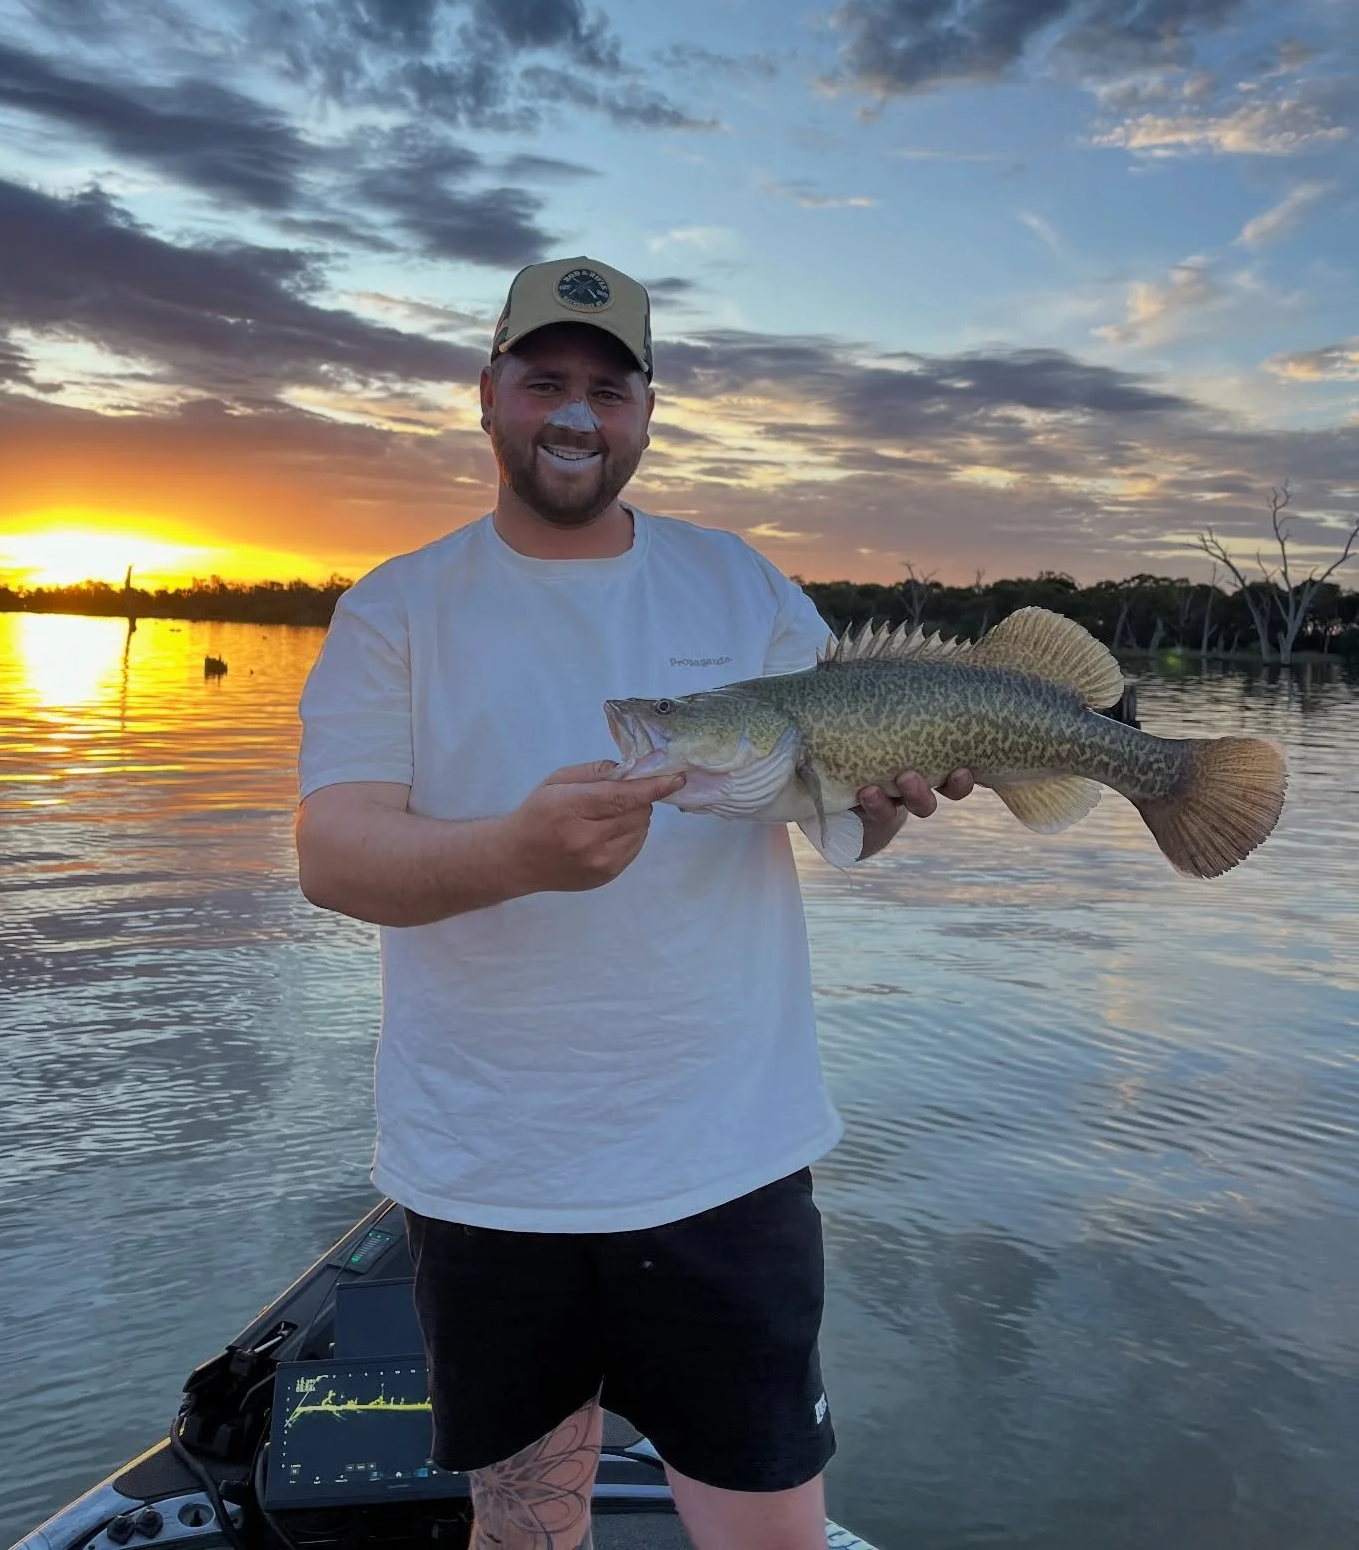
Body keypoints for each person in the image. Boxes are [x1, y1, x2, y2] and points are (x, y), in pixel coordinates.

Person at [295, 256, 973, 1550]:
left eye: (608, 390)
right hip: (490, 1169)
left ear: (648, 412)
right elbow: (334, 856)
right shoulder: (397, 608)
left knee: (773, 1532)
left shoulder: (741, 584)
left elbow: (842, 814)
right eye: (543, 380)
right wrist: (516, 853)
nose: (575, 414)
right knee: (525, 1526)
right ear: (486, 393)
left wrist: (890, 798)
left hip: (729, 1152)